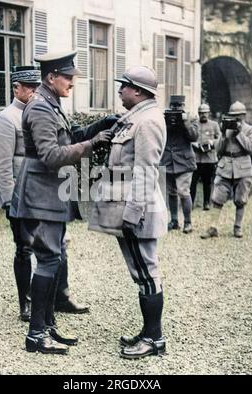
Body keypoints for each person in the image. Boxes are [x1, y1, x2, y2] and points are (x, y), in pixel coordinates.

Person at [9, 51, 118, 354]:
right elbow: (51, 156)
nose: (72, 82)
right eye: (68, 76)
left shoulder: (51, 103)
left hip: (48, 194)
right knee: (47, 260)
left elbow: (66, 140)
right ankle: (35, 335)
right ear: (51, 77)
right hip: (40, 194)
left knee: (52, 258)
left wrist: (97, 127)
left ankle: (47, 327)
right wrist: (92, 143)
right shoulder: (41, 108)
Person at [89, 66, 168, 359]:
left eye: (124, 86)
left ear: (137, 90)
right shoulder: (135, 118)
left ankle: (154, 339)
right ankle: (149, 333)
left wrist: (133, 214)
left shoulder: (147, 121)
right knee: (142, 273)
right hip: (129, 205)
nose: (120, 90)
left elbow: (147, 171)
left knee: (147, 273)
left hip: (137, 209)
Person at [0, 66, 41, 322]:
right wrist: (11, 199)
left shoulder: (39, 113)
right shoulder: (6, 117)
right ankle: (26, 303)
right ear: (15, 88)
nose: (32, 91)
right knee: (24, 249)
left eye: (35, 87)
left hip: (41, 194)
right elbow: (0, 164)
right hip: (19, 197)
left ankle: (58, 296)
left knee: (52, 247)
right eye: (27, 86)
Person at [201, 101, 252, 239]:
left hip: (243, 167)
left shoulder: (250, 129)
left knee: (240, 199)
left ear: (244, 116)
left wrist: (238, 133)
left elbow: (250, 148)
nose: (235, 118)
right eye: (233, 116)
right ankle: (213, 227)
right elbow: (218, 149)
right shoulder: (226, 128)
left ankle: (237, 227)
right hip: (225, 166)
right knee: (217, 198)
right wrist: (224, 135)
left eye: (238, 116)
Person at [160, 95, 199, 234]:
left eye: (178, 106)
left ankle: (188, 222)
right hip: (168, 160)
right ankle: (174, 220)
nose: (176, 109)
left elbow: (194, 137)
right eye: (173, 106)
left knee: (183, 192)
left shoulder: (192, 118)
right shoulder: (164, 117)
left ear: (183, 106)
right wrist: (165, 121)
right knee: (171, 192)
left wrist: (185, 122)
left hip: (184, 161)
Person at [190, 103, 221, 210]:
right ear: (198, 113)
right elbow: (189, 139)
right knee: (193, 183)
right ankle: (191, 203)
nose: (203, 114)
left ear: (209, 113)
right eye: (201, 112)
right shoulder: (193, 124)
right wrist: (194, 144)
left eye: (205, 112)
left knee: (207, 182)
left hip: (209, 159)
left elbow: (220, 139)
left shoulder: (214, 125)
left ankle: (206, 203)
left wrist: (212, 142)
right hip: (196, 159)